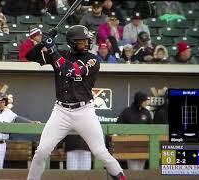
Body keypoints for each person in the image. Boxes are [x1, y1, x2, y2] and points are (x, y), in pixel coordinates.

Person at [25, 25, 126, 180]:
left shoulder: (93, 59)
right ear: (72, 43)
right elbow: (30, 56)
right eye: (82, 41)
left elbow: (70, 71)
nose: (86, 43)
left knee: (100, 152)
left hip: (84, 111)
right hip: (61, 111)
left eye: (87, 40)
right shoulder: (61, 54)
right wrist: (43, 42)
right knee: (42, 151)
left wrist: (52, 48)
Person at [0, 93, 40, 169]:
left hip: (2, 143)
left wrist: (31, 122)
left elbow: (17, 118)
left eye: (3, 102)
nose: (2, 103)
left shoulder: (8, 112)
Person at [118, 91, 152, 170]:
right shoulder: (127, 111)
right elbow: (118, 126)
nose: (146, 102)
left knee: (140, 170)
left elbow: (151, 128)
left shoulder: (146, 112)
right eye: (144, 100)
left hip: (143, 146)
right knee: (133, 170)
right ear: (139, 101)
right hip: (130, 145)